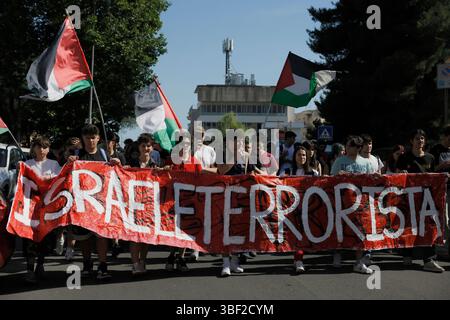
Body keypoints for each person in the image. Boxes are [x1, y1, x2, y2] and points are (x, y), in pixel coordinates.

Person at [67, 124, 121, 280]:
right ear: (82, 139)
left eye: (93, 137)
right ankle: (87, 264)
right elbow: (65, 176)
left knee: (101, 235)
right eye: (87, 137)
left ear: (98, 138)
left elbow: (118, 176)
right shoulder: (77, 155)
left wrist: (117, 165)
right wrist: (69, 163)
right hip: (82, 202)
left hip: (101, 202)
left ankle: (102, 266)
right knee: (84, 238)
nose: (90, 140)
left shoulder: (104, 155)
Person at [397, 129, 444, 272]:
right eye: (417, 138)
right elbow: (395, 178)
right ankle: (407, 255)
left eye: (422, 138)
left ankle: (429, 259)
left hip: (427, 201)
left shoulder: (430, 158)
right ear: (412, 141)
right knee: (408, 226)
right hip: (409, 200)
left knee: (429, 227)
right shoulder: (404, 158)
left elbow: (436, 178)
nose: (420, 141)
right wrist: (401, 174)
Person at [330, 135, 375, 274]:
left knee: (360, 232)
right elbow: (329, 181)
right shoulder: (339, 161)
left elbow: (371, 182)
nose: (348, 148)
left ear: (358, 147)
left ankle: (359, 262)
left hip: (360, 205)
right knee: (340, 229)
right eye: (348, 145)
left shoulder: (366, 163)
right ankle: (337, 254)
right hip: (341, 203)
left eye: (351, 145)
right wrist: (339, 176)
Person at [217, 137, 260, 277]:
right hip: (225, 198)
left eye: (240, 143)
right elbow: (221, 171)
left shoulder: (248, 158)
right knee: (225, 231)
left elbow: (253, 173)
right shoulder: (223, 155)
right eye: (235, 143)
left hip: (242, 199)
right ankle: (225, 263)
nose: (238, 146)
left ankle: (235, 262)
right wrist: (233, 159)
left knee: (238, 230)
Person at [23, 135, 61, 283]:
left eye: (45, 147)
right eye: (39, 146)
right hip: (31, 207)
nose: (42, 150)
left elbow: (58, 182)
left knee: (45, 238)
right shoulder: (27, 164)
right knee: (30, 237)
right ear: (34, 149)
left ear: (48, 149)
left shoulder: (53, 164)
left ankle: (40, 264)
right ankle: (29, 268)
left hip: (47, 208)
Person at [128, 134, 158, 276]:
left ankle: (143, 261)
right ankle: (135, 263)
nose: (146, 148)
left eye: (148, 146)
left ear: (152, 148)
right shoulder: (132, 163)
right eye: (143, 146)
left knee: (146, 236)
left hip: (149, 205)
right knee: (135, 236)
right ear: (138, 147)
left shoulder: (155, 164)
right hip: (133, 204)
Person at [288, 146, 319, 273]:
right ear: (294, 157)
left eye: (304, 155)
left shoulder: (314, 173)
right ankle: (298, 259)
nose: (302, 157)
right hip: (291, 209)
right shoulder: (288, 171)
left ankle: (298, 259)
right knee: (296, 234)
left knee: (302, 234)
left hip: (308, 208)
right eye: (299, 155)